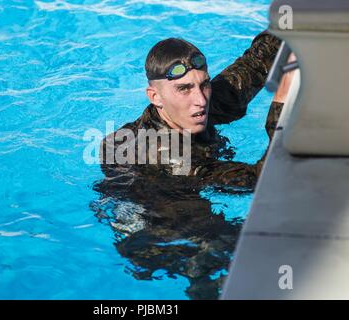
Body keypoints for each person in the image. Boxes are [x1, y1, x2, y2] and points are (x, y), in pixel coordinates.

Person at [92, 31, 294, 299]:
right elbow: (268, 180)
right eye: (184, 88)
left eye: (204, 84)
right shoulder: (169, 156)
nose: (200, 99)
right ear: (155, 97)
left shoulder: (193, 106)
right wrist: (284, 105)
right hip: (160, 239)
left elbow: (256, 62)